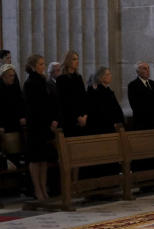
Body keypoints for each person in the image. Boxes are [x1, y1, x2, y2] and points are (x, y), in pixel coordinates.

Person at [23, 54, 58, 201]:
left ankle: (44, 188)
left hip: (45, 125)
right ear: (32, 67)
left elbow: (49, 103)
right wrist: (47, 120)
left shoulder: (43, 81)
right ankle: (37, 189)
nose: (43, 66)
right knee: (35, 159)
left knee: (44, 160)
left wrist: (53, 120)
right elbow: (33, 107)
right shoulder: (30, 83)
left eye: (44, 64)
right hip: (36, 125)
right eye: (40, 64)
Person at [128, 61, 154, 173]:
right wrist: (152, 116)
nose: (147, 70)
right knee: (145, 153)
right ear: (138, 71)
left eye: (148, 68)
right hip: (143, 123)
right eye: (144, 68)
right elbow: (136, 106)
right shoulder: (133, 85)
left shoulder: (153, 84)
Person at [56, 51, 89, 137]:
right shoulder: (61, 79)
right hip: (69, 118)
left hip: (82, 117)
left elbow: (83, 98)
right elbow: (65, 100)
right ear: (67, 61)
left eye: (78, 59)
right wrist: (78, 117)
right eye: (74, 59)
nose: (77, 61)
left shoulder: (78, 77)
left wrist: (85, 115)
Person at [88, 66, 124, 135]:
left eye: (110, 74)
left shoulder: (109, 92)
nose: (111, 76)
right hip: (105, 129)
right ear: (100, 78)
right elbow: (102, 112)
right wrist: (113, 123)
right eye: (107, 75)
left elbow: (116, 109)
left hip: (115, 127)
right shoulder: (97, 93)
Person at [0, 64, 26, 135]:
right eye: (10, 75)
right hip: (4, 124)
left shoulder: (15, 88)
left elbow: (21, 103)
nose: (12, 78)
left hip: (17, 123)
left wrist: (23, 116)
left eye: (13, 75)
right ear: (2, 76)